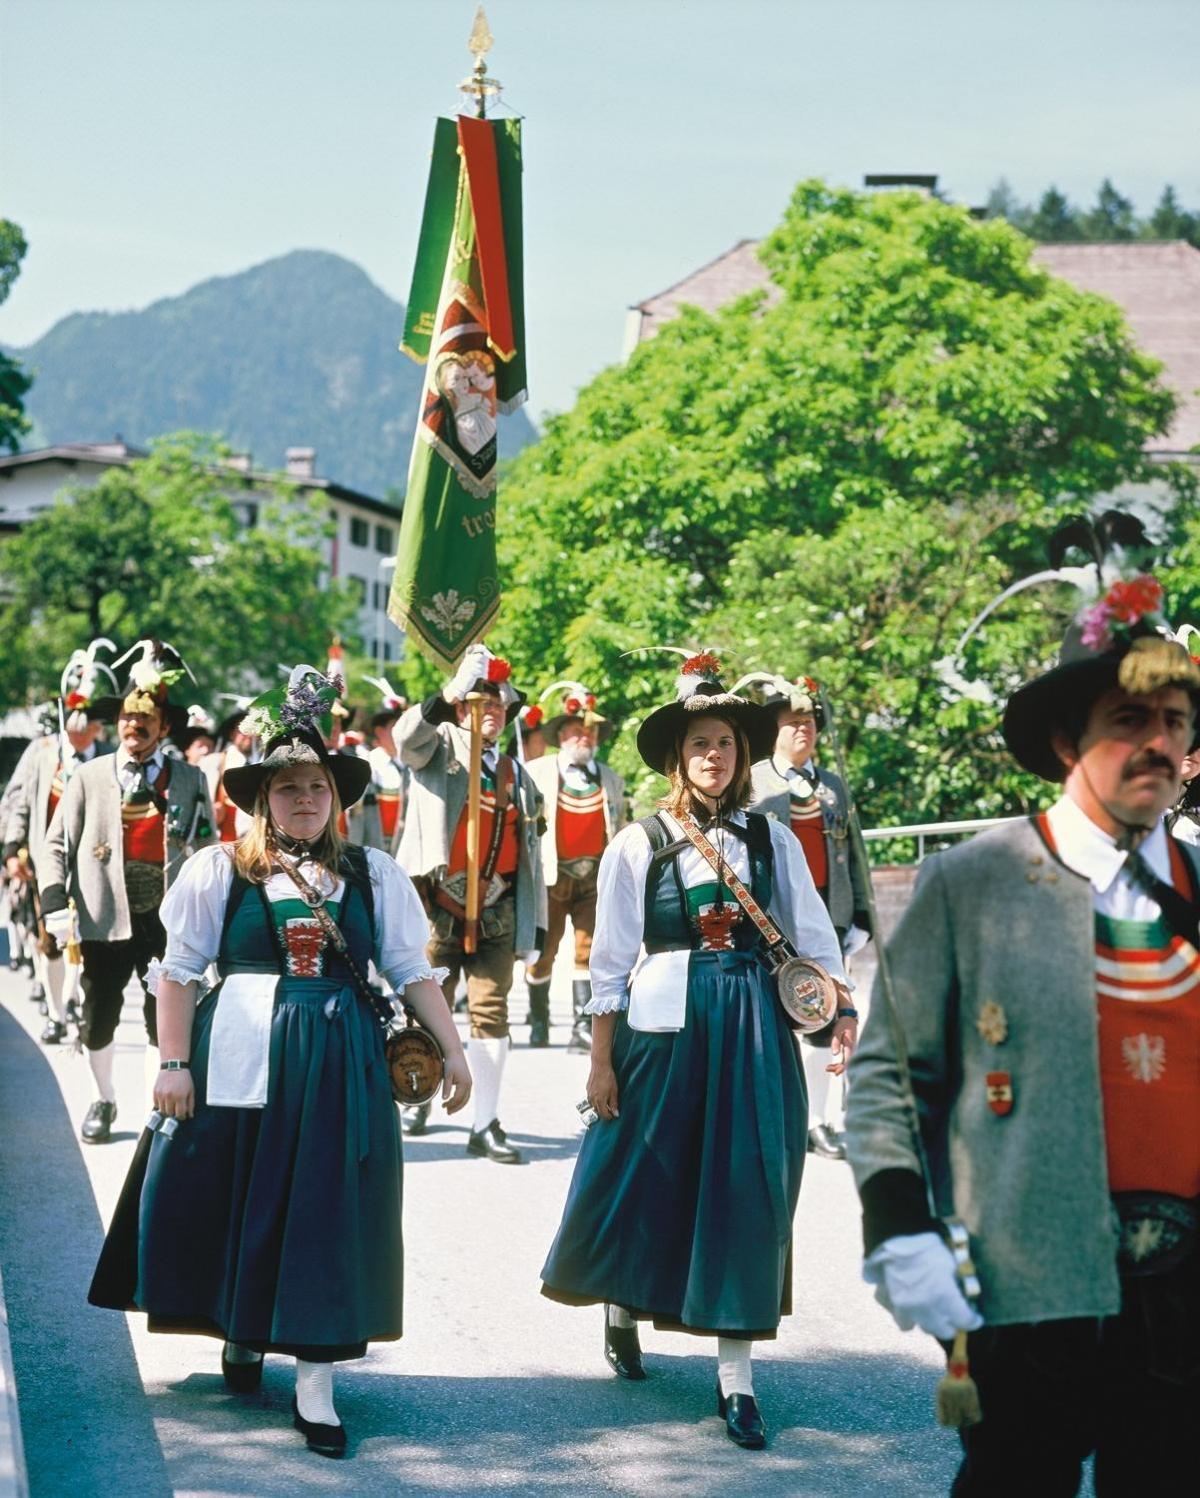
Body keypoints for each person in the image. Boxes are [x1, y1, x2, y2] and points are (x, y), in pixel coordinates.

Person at [845, 567, 1200, 1494]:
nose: (1157, 744)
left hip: (1186, 1300)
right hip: (1024, 1278)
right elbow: (888, 1073)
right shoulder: (976, 879)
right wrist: (898, 1226)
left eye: (1174, 722)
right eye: (1129, 722)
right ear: (1063, 739)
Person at [87, 666, 470, 1458]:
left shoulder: (373, 874)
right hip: (242, 1056)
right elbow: (181, 972)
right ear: (263, 796)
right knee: (244, 1197)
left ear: (338, 797)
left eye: (318, 787)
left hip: (342, 1063)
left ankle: (317, 1385)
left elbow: (411, 970)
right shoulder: (222, 869)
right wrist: (172, 1064)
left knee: (330, 1211)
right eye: (289, 786)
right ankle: (241, 1330)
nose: (305, 799)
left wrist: (455, 1050)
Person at [541, 654, 853, 1448]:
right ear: (677, 760)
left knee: (751, 1186)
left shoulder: (772, 837)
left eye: (724, 743)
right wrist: (600, 1061)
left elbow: (813, 934)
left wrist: (839, 1008)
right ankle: (620, 1300)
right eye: (698, 745)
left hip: (752, 1023)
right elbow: (609, 961)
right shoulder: (637, 844)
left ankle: (737, 1382)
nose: (713, 756)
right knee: (647, 1170)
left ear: (742, 755)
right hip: (663, 1024)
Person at [38, 641, 215, 1143]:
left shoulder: (189, 778)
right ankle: (104, 1096)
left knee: (168, 1016)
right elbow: (56, 844)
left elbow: (206, 847)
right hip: (104, 912)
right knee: (99, 1015)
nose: (133, 729)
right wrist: (53, 898)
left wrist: (213, 908)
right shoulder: (89, 777)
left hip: (168, 917)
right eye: (127, 722)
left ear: (163, 728)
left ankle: (154, 1109)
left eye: (145, 723)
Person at [394, 643, 546, 1160]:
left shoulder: (516, 775)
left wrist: (536, 928)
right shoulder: (436, 752)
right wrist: (446, 693)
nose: (493, 713)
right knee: (424, 1008)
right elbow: (405, 738)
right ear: (462, 708)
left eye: (500, 706)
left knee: (491, 1013)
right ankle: (415, 1091)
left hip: (499, 909)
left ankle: (486, 1122)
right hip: (438, 904)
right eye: (482, 703)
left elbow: (531, 858)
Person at [746, 674, 872, 1161]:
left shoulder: (833, 786)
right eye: (794, 723)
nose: (805, 730)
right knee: (774, 1014)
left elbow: (853, 849)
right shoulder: (756, 781)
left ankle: (818, 1121)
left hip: (829, 913)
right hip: (773, 916)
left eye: (810, 723)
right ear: (774, 730)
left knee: (825, 1012)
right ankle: (775, 1114)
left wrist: (861, 912)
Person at [3, 643, 116, 1043]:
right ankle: (55, 1012)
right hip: (46, 860)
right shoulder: (42, 752)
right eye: (78, 726)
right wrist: (13, 848)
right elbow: (18, 800)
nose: (85, 734)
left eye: (92, 728)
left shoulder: (108, 757)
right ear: (67, 722)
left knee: (85, 942)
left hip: (93, 865)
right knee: (49, 938)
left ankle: (72, 1002)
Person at [525, 683, 626, 1050]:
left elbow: (621, 825)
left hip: (594, 878)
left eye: (591, 731)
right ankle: (539, 1021)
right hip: (551, 877)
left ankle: (582, 1027)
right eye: (577, 730)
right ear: (561, 735)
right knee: (543, 954)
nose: (585, 736)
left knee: (588, 951)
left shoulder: (612, 778)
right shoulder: (536, 772)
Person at [357, 675, 408, 855]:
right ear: (380, 731)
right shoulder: (369, 764)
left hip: (405, 847)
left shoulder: (411, 765)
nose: (402, 732)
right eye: (396, 726)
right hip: (375, 847)